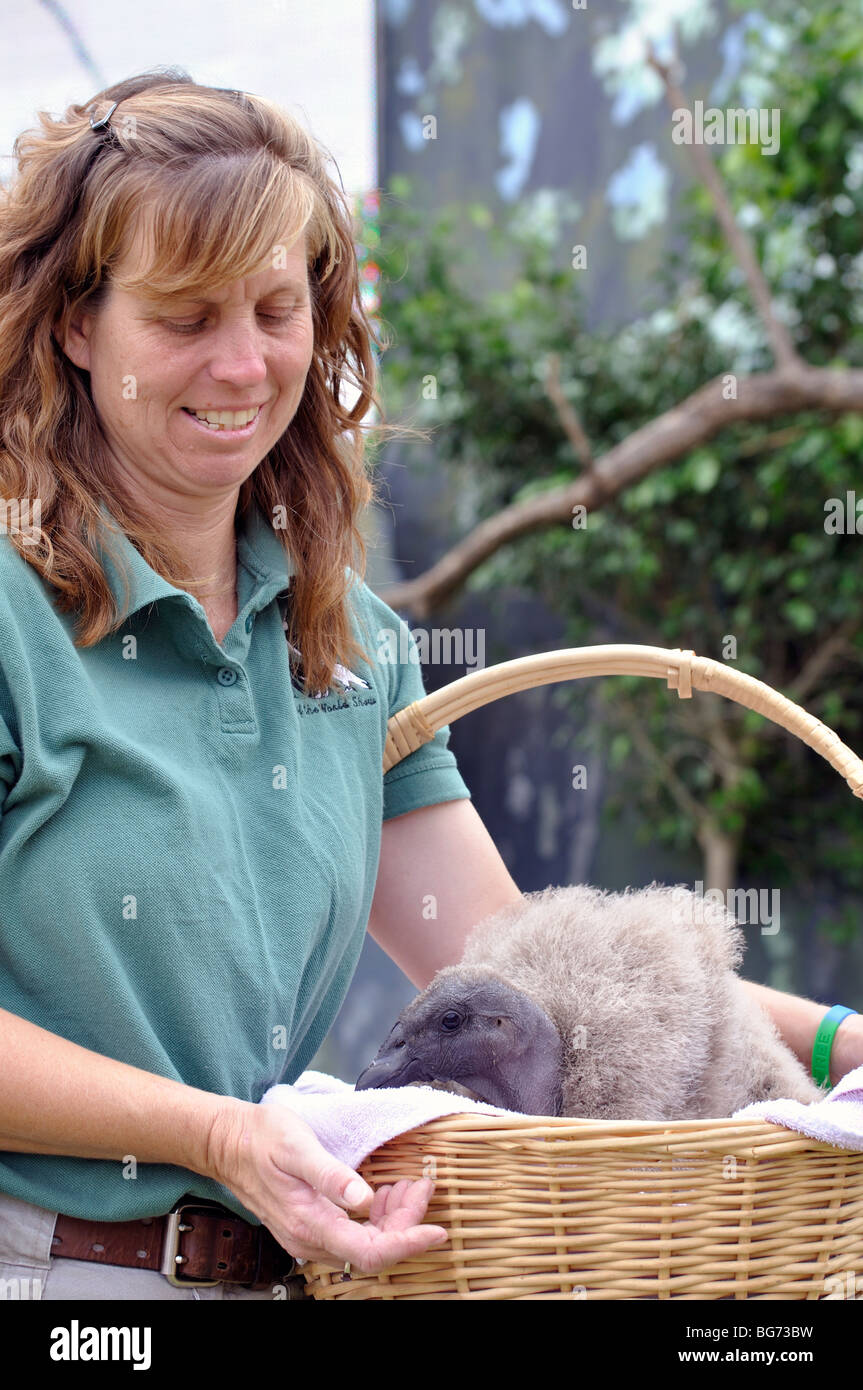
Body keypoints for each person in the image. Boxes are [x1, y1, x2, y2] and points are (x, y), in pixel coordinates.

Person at [0, 70, 859, 1303]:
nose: (241, 363)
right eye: (185, 317)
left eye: (274, 307)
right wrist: (214, 1134)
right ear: (78, 325)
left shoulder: (345, 634)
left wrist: (833, 1038)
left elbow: (530, 971)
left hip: (295, 1276)